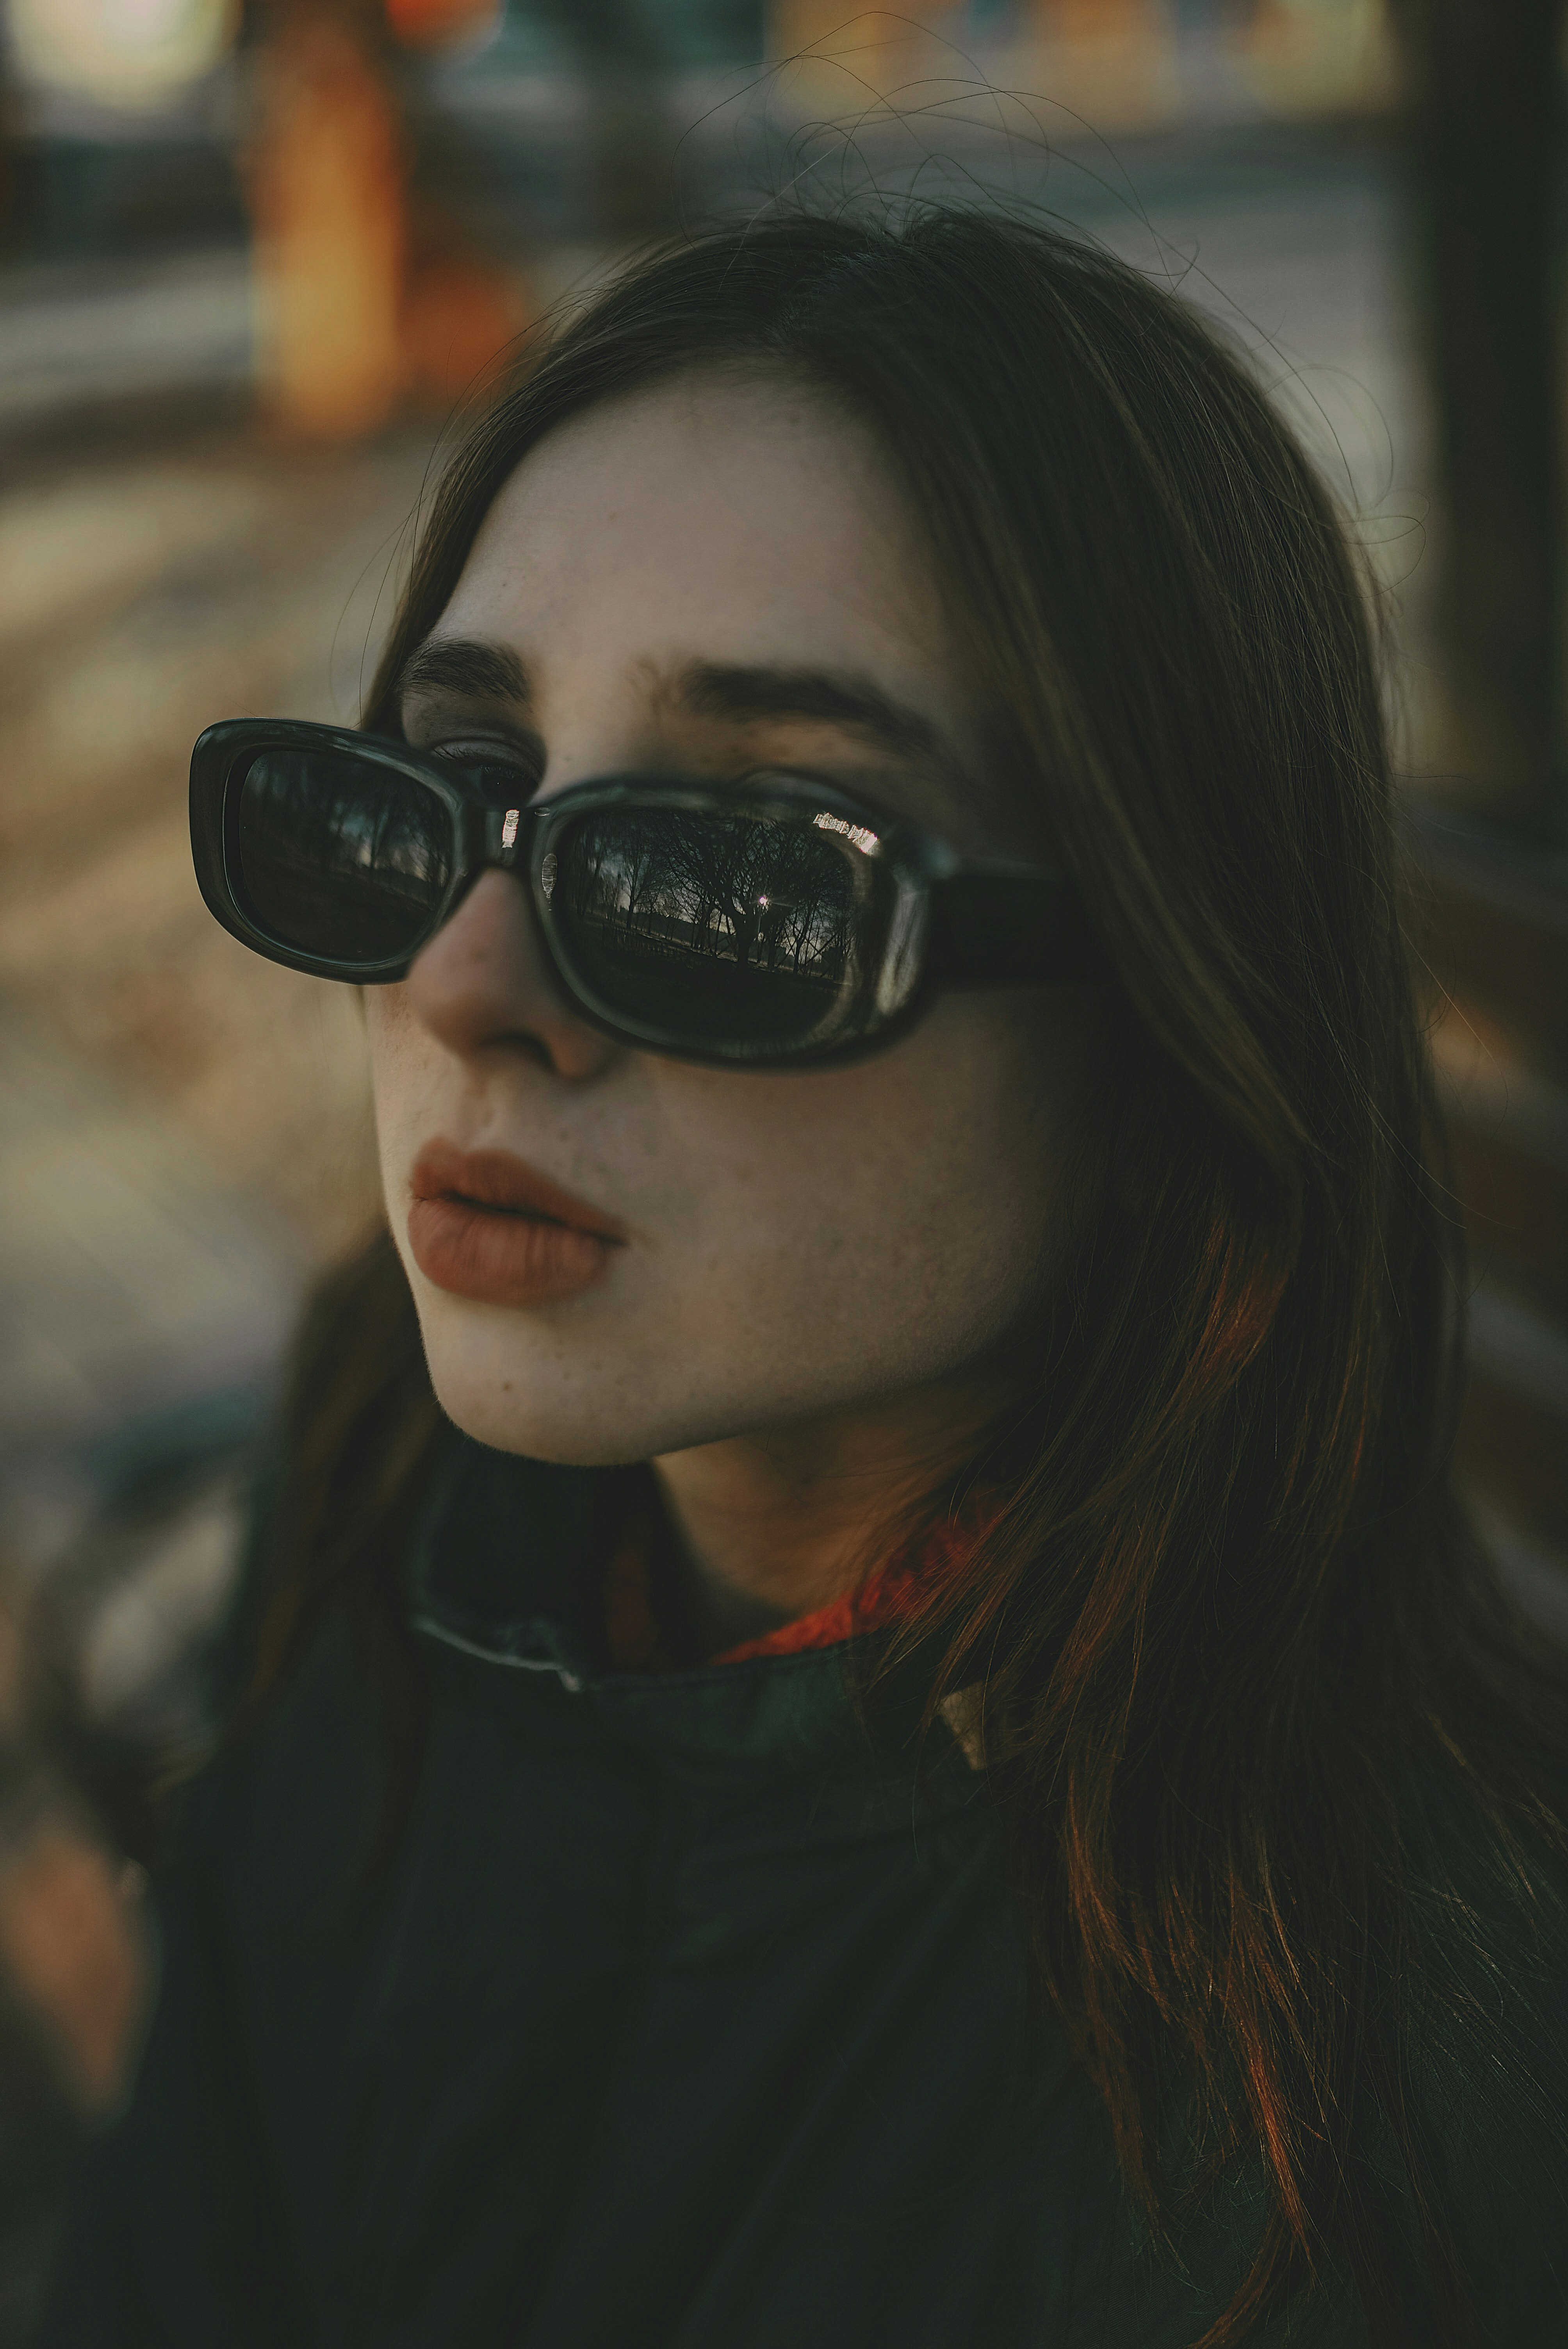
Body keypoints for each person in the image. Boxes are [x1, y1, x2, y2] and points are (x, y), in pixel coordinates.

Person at [41, 209, 1568, 2347]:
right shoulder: (386, 1477)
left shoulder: (1396, 2132)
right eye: (451, 787)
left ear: (1168, 1009)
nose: (470, 985)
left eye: (734, 876)